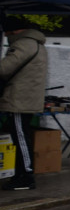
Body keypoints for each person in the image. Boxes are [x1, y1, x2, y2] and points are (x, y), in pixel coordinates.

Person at [0, 18, 48, 191]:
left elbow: (4, 69)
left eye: (7, 33)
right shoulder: (36, 44)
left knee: (20, 138)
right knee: (21, 136)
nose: (5, 37)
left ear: (15, 31)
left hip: (19, 100)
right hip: (26, 99)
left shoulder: (24, 44)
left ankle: (26, 177)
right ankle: (21, 174)